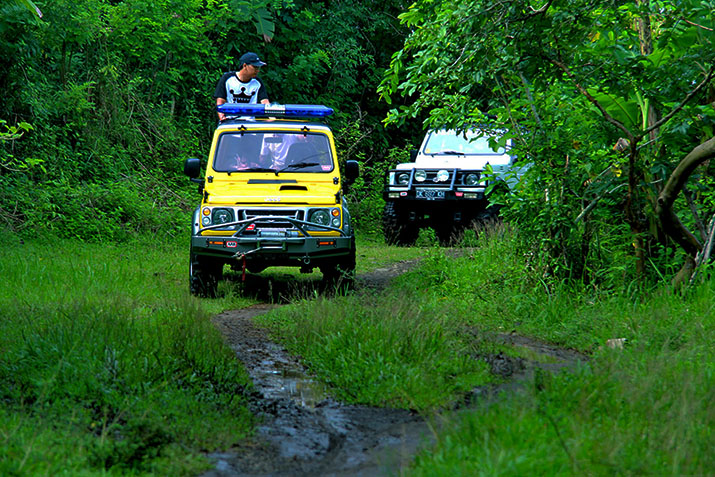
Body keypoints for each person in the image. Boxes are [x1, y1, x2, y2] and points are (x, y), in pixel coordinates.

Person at [214, 52, 270, 121]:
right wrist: (222, 118)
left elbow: (265, 103)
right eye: (255, 67)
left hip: (250, 123)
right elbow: (220, 102)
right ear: (245, 66)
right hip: (230, 121)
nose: (257, 71)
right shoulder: (227, 79)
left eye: (258, 68)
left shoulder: (257, 82)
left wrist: (271, 118)